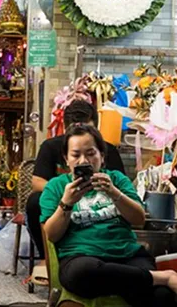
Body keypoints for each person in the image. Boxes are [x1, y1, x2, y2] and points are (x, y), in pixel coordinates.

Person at [39, 124, 177, 307]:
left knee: (162, 298)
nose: (84, 161)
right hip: (82, 261)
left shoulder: (117, 180)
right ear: (66, 159)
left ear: (102, 156)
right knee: (84, 271)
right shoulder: (57, 187)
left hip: (126, 257)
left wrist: (114, 193)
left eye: (91, 153)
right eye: (76, 154)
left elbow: (138, 219)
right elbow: (52, 234)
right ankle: (165, 277)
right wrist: (66, 203)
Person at [26, 100, 125, 251]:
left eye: (88, 130)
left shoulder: (108, 150)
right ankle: (45, 254)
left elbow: (123, 186)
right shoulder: (50, 146)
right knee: (34, 201)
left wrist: (106, 189)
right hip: (60, 200)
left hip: (101, 202)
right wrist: (66, 192)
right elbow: (37, 182)